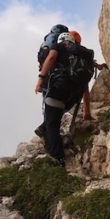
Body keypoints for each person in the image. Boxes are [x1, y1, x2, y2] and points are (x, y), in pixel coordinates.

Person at [35, 31, 74, 167]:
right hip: (69, 93)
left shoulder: (58, 47)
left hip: (56, 88)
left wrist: (41, 78)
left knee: (52, 124)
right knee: (53, 122)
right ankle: (56, 150)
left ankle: (57, 157)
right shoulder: (75, 53)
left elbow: (51, 58)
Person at [67, 30, 108, 121]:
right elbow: (88, 61)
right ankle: (86, 113)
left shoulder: (67, 49)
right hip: (82, 76)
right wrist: (99, 66)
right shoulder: (81, 49)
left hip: (70, 76)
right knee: (85, 91)